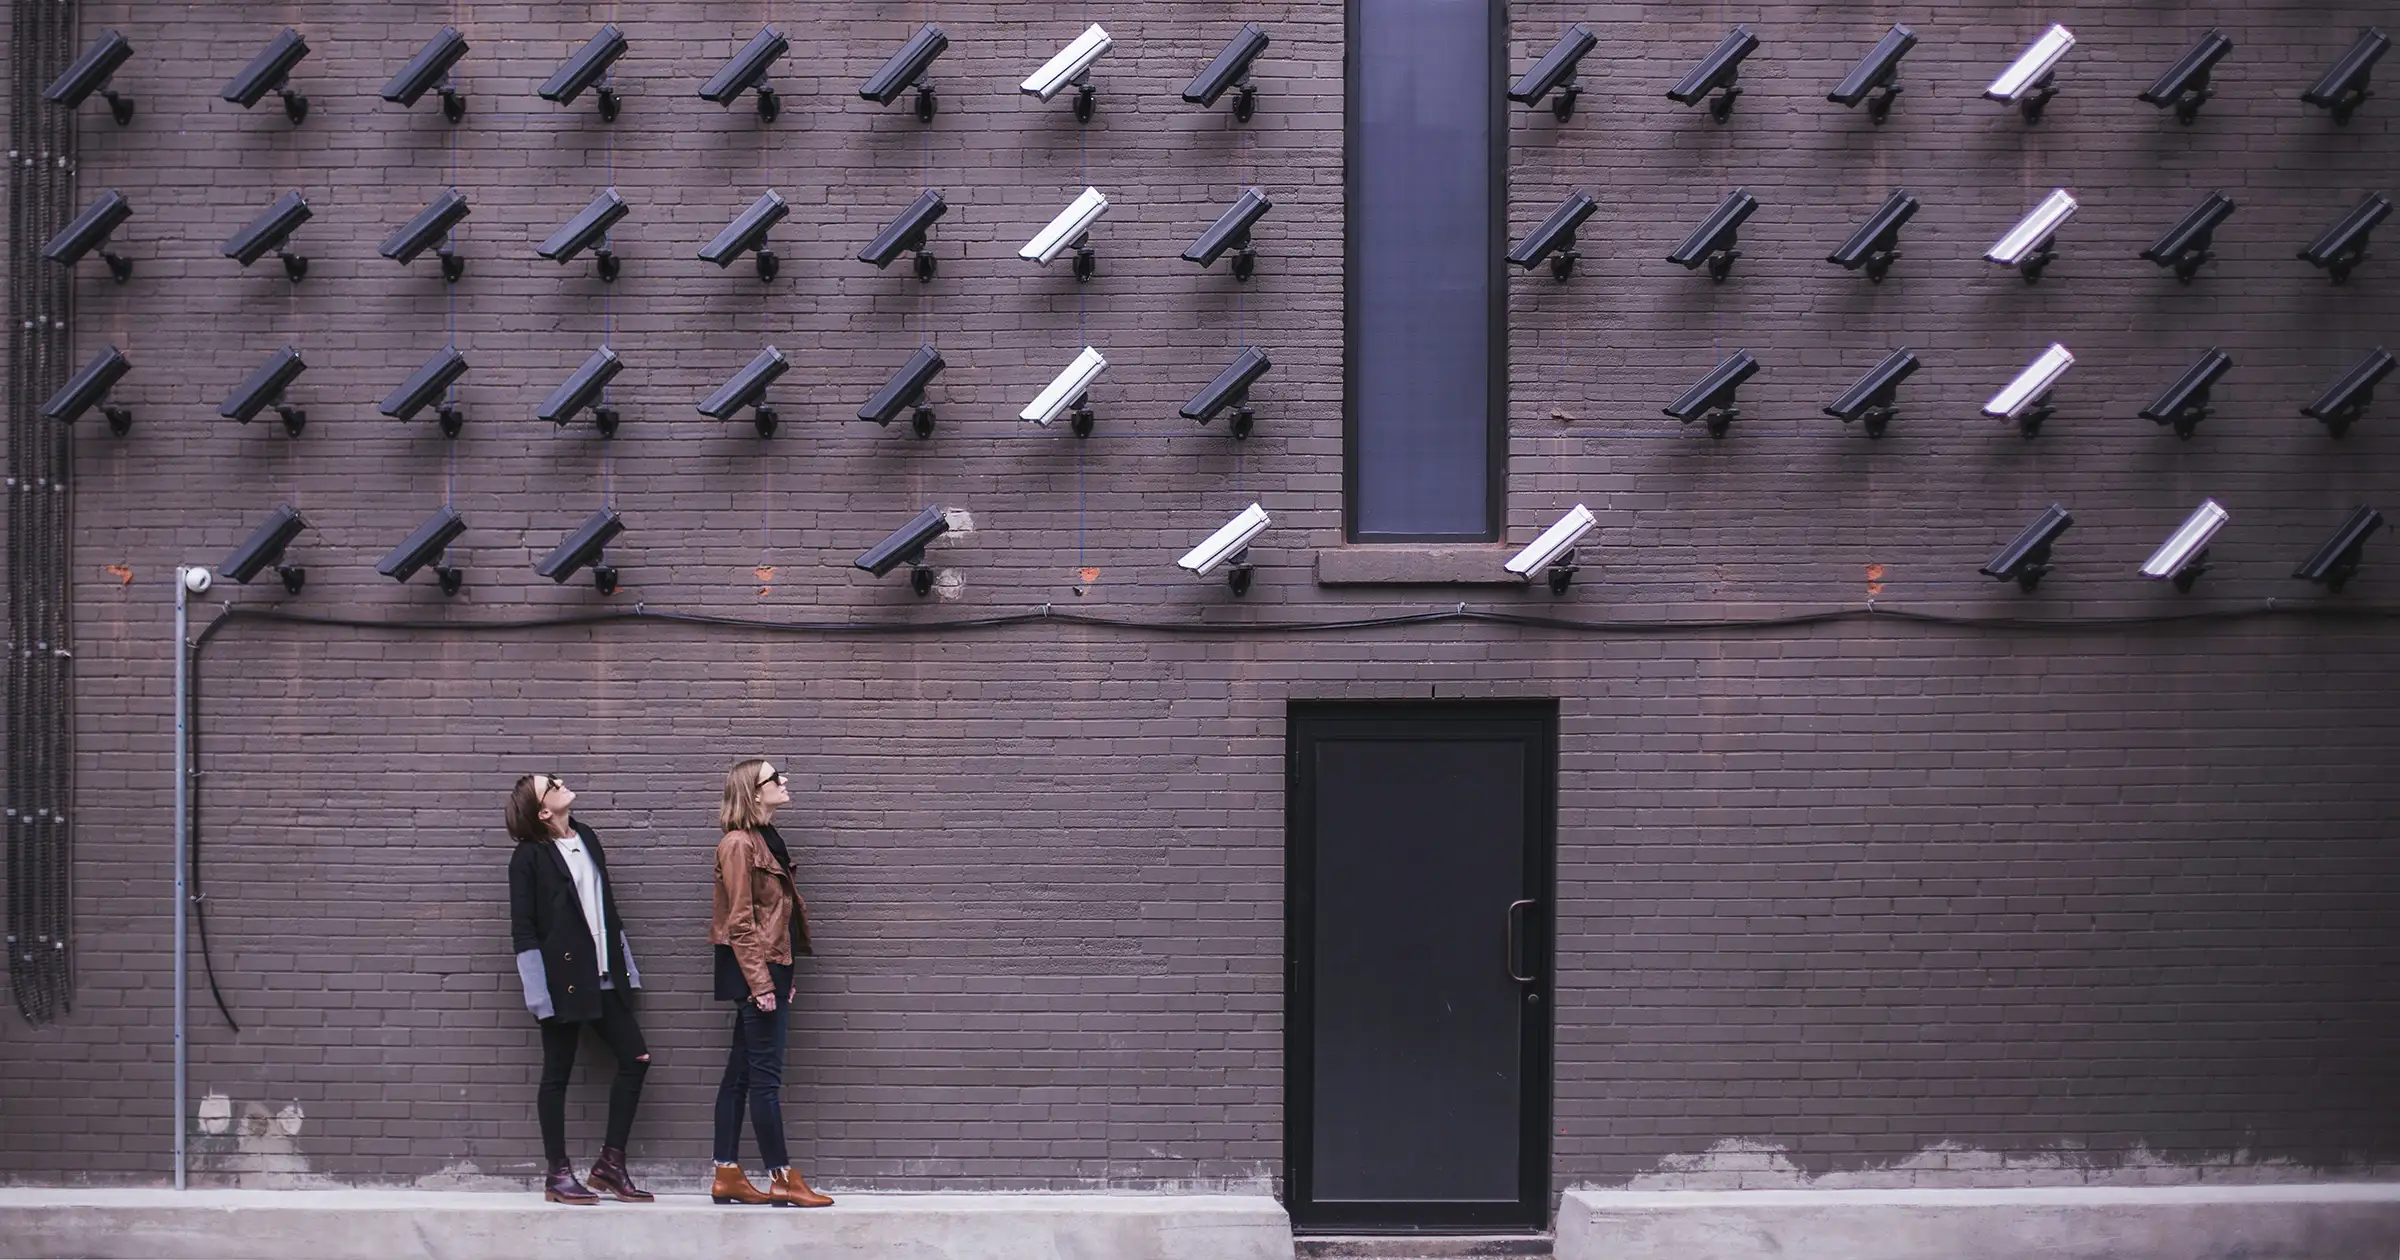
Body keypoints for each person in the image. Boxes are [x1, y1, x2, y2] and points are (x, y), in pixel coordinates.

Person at [506, 773, 653, 1205]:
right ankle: (558, 1174)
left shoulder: (587, 836)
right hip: (562, 985)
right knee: (557, 1075)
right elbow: (523, 931)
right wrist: (539, 996)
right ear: (543, 811)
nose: (561, 781)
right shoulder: (528, 858)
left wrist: (627, 968)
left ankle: (610, 1165)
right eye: (551, 784)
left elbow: (607, 907)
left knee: (636, 1058)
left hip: (605, 977)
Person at [707, 758, 832, 1208]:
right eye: (774, 778)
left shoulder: (765, 838)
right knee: (765, 1079)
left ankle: (726, 1173)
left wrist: (784, 974)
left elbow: (779, 919)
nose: (785, 781)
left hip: (768, 968)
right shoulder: (738, 845)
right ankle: (782, 1177)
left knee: (740, 1076)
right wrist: (762, 983)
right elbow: (740, 922)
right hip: (754, 972)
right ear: (753, 792)